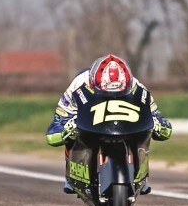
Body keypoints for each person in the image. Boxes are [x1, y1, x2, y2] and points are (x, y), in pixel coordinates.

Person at [45, 53, 172, 194]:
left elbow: (157, 117)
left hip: (124, 124)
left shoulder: (137, 86)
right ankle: (71, 176)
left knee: (144, 131)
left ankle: (139, 176)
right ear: (94, 83)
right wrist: (66, 128)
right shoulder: (78, 84)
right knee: (71, 133)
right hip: (90, 120)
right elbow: (56, 124)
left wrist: (158, 125)